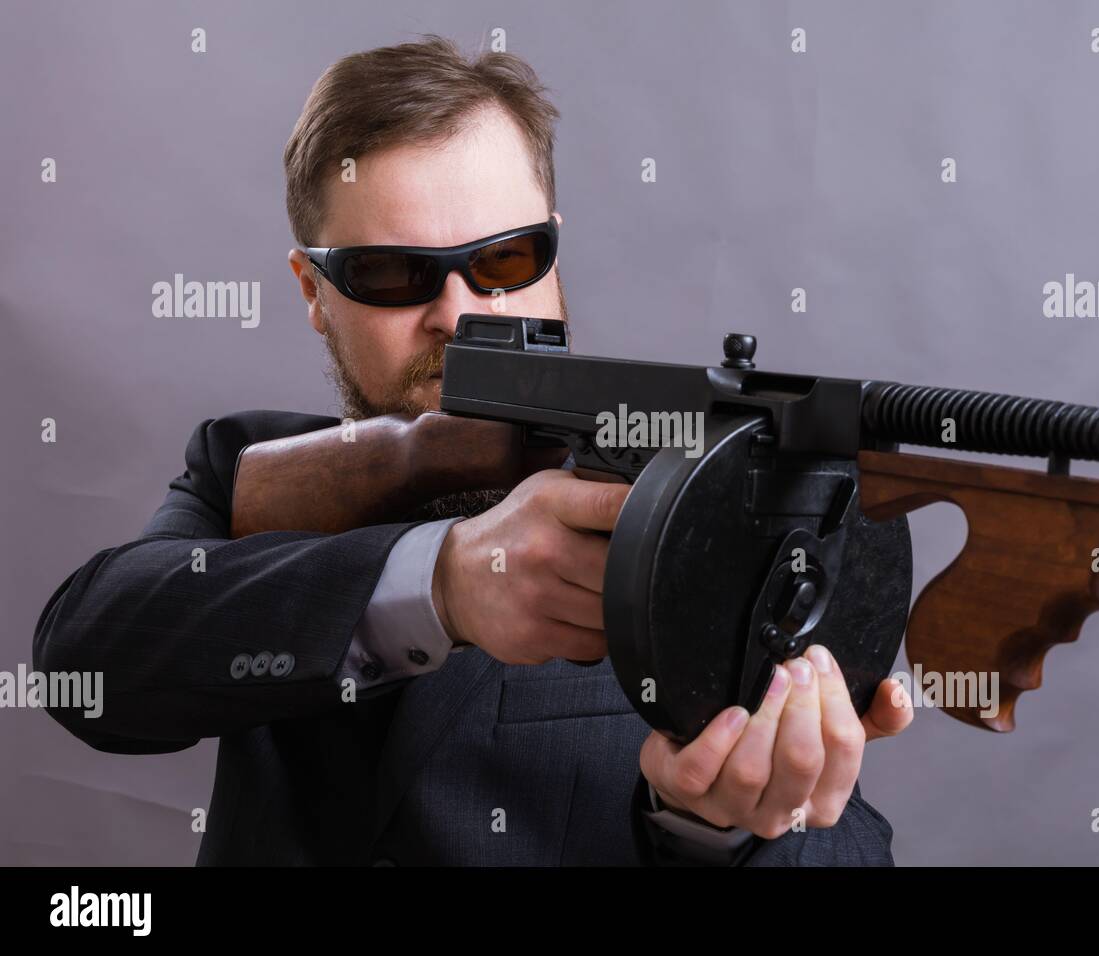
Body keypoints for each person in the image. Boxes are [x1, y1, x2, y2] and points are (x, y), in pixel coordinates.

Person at [33, 34, 912, 866]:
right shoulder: (255, 465)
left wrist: (716, 828)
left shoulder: (704, 506)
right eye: (392, 274)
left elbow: (850, 847)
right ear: (313, 290)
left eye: (507, 261)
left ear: (554, 254)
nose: (458, 313)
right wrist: (439, 583)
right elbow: (87, 662)